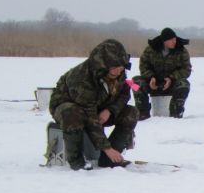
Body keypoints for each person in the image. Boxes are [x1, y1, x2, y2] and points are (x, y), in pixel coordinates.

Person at [48, 39, 137, 170]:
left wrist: (110, 110)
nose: (120, 71)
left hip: (100, 106)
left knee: (131, 112)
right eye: (115, 68)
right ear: (104, 65)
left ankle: (110, 160)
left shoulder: (118, 71)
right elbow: (90, 117)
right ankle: (76, 161)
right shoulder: (81, 77)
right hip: (70, 109)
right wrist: (107, 147)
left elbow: (124, 94)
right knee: (72, 112)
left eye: (122, 67)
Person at [136, 27, 192, 119]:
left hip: (172, 83)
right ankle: (142, 113)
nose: (175, 42)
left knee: (184, 84)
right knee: (136, 82)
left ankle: (176, 113)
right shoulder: (150, 49)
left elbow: (186, 69)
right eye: (172, 40)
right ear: (164, 41)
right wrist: (151, 77)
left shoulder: (181, 50)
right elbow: (143, 66)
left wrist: (171, 78)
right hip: (152, 83)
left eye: (175, 39)